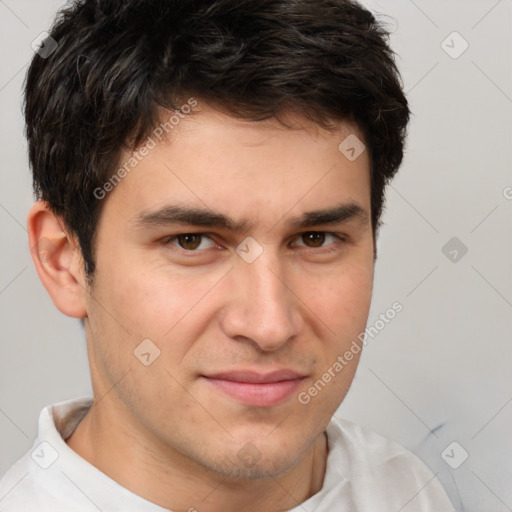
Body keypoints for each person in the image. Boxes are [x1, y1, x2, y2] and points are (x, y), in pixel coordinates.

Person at [0, 0, 455, 510]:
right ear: (64, 261)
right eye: (191, 241)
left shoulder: (409, 492)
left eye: (315, 239)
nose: (269, 325)